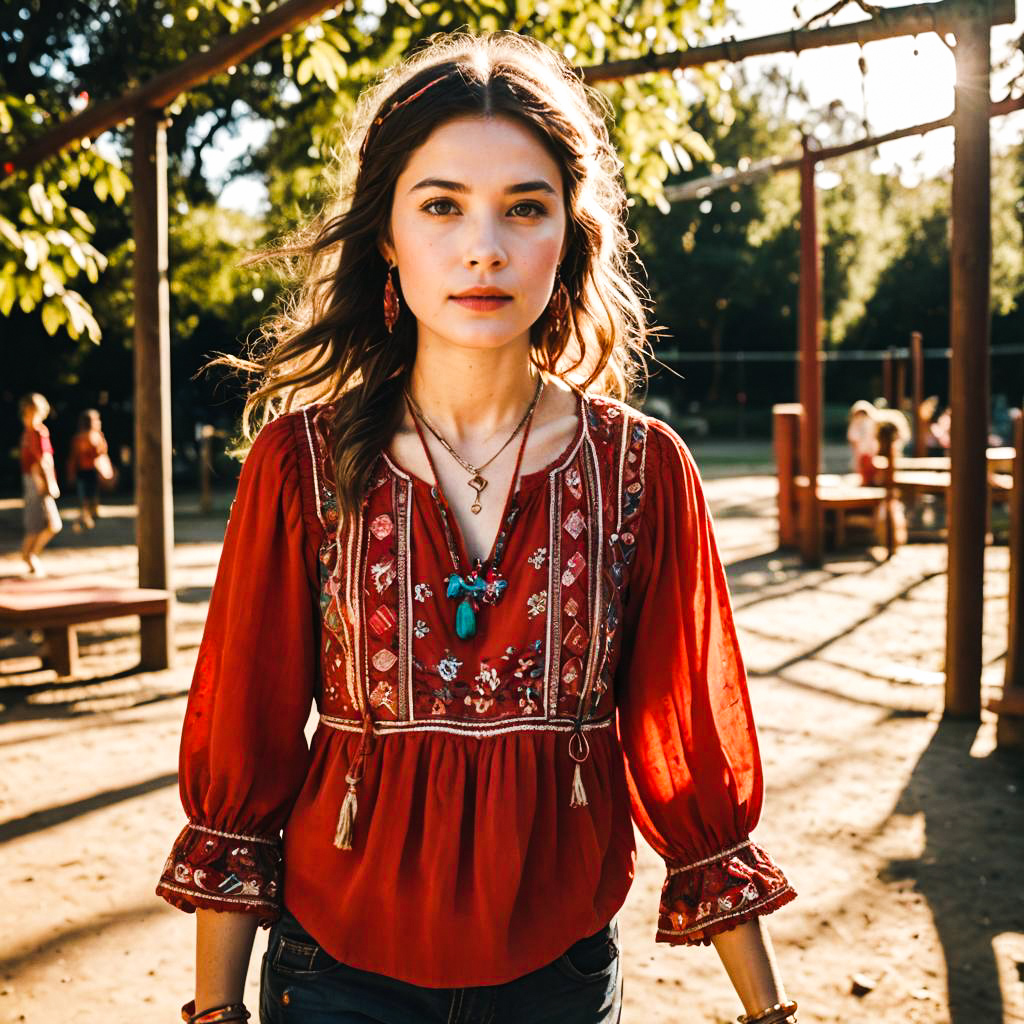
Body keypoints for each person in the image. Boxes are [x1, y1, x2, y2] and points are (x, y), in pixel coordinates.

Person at [157, 33, 797, 1024]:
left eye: (525, 208)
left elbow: (688, 747)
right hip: (332, 974)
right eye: (443, 205)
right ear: (387, 234)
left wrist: (768, 1012)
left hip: (559, 974)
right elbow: (246, 741)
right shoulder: (299, 465)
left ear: (569, 237)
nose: (483, 248)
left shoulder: (642, 471)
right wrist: (214, 1009)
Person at [18, 392, 62, 576]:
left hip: (35, 479)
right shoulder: (34, 432)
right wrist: (50, 483)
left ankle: (30, 554)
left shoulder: (34, 432)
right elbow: (43, 460)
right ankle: (29, 555)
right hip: (36, 481)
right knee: (44, 523)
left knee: (48, 523)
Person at [66, 408, 111, 532]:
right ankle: (86, 518)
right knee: (86, 496)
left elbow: (102, 452)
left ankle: (88, 517)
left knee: (90, 495)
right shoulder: (83, 438)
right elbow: (75, 457)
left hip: (91, 471)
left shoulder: (95, 436)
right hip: (85, 471)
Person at [846, 399, 878, 485]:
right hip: (861, 448)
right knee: (862, 465)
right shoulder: (855, 422)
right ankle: (865, 480)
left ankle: (870, 480)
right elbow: (852, 435)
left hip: (869, 447)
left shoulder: (870, 422)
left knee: (869, 465)